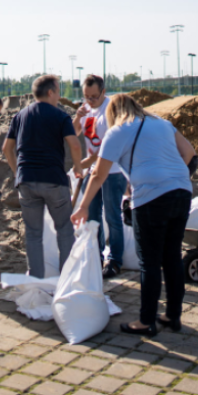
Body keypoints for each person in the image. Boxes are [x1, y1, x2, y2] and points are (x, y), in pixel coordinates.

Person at [71, 94, 195, 336]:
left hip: (151, 198)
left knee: (149, 262)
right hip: (182, 192)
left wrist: (83, 205)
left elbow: (98, 174)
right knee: (172, 257)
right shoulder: (161, 123)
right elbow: (189, 152)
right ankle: (173, 315)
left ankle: (146, 321)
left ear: (113, 113)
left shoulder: (118, 131)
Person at [3, 75, 83, 279]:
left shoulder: (20, 116)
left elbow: (7, 148)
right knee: (64, 230)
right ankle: (66, 279)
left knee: (33, 233)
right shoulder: (60, 115)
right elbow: (74, 144)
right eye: (58, 91)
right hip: (53, 180)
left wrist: (16, 172)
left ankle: (36, 278)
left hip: (26, 181)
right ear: (50, 92)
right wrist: (78, 168)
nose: (59, 96)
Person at [72, 75, 128, 279]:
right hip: (92, 171)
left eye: (94, 97)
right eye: (86, 97)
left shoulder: (111, 109)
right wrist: (78, 116)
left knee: (112, 216)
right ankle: (95, 256)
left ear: (103, 92)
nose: (90, 100)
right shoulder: (86, 109)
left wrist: (85, 163)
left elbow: (109, 145)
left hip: (112, 172)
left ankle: (114, 260)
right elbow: (73, 132)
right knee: (92, 216)